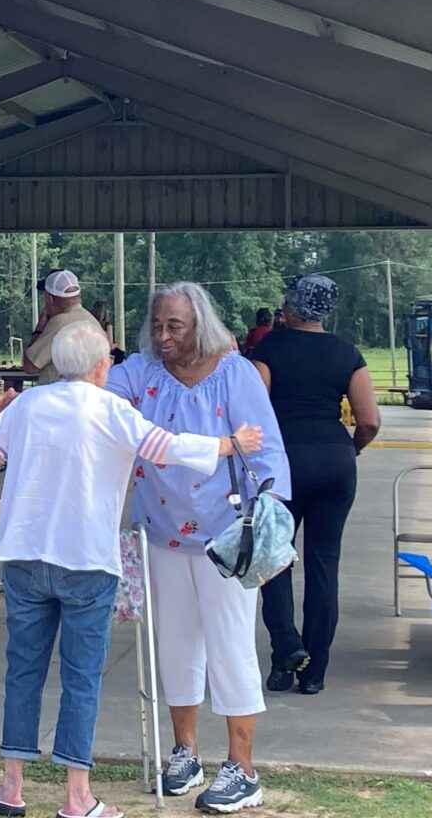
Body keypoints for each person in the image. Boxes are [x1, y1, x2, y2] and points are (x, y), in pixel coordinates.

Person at [0, 322, 264, 818]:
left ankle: (12, 786)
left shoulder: (26, 406)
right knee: (82, 677)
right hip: (86, 561)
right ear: (101, 366)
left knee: (23, 670)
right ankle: (77, 795)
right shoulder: (112, 410)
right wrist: (227, 444)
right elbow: (167, 448)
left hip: (23, 556)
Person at [108, 281, 290, 815]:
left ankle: (243, 767)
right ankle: (185, 752)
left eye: (176, 326)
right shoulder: (138, 373)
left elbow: (269, 452)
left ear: (200, 325)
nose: (163, 336)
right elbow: (97, 401)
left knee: (231, 645)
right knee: (177, 643)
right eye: (157, 324)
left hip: (227, 535)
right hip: (160, 530)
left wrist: (269, 518)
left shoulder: (235, 375)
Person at [250, 275, 380, 694]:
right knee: (325, 564)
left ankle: (285, 654)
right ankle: (316, 670)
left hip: (283, 463)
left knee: (276, 559)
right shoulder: (348, 354)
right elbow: (370, 420)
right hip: (334, 462)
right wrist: (352, 448)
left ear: (288, 307)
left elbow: (254, 408)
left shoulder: (268, 349)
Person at [24, 271, 103, 386]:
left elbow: (30, 366)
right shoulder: (93, 322)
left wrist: (39, 329)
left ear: (49, 299)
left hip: (59, 397)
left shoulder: (59, 323)